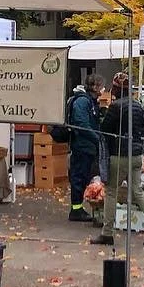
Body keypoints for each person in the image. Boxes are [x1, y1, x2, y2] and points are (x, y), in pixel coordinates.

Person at [93, 72, 144, 247]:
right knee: (138, 192)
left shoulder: (116, 106)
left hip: (119, 154)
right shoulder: (138, 106)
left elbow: (105, 128)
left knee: (111, 191)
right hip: (137, 154)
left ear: (116, 88)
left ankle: (107, 233)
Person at [63, 74, 103, 222]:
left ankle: (78, 208)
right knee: (79, 177)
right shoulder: (82, 101)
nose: (103, 89)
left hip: (86, 146)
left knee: (83, 177)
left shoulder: (89, 101)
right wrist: (97, 139)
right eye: (101, 86)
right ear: (95, 86)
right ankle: (76, 210)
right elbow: (82, 124)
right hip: (82, 146)